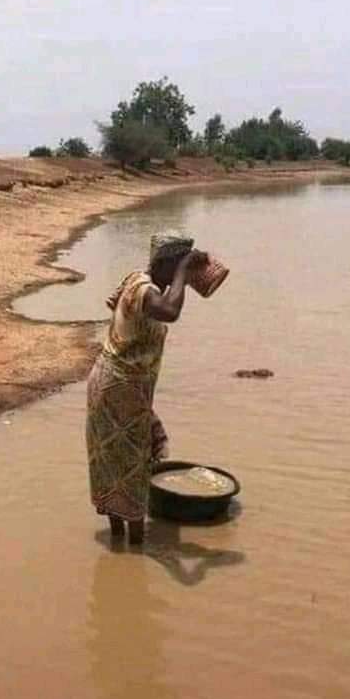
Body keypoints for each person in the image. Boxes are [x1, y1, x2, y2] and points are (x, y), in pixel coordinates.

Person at [86, 232, 206, 545]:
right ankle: (136, 547)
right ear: (166, 263)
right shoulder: (146, 291)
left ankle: (118, 545)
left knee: (117, 461)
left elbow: (119, 305)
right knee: (133, 465)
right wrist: (183, 273)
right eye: (180, 266)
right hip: (120, 387)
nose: (185, 274)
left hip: (118, 383)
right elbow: (170, 312)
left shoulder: (137, 280)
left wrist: (184, 275)